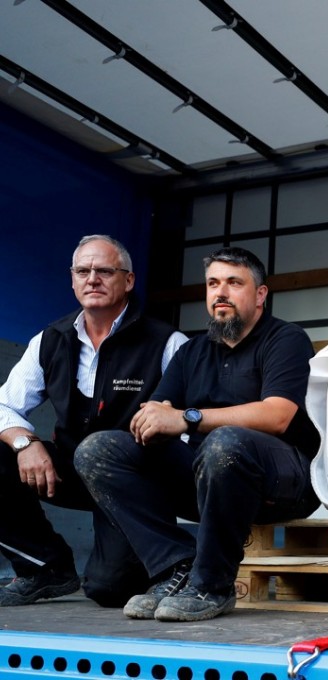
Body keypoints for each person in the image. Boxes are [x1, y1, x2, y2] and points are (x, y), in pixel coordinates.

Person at [75, 246, 321, 622]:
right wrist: (155, 423)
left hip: (284, 483)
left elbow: (277, 415)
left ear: (259, 295)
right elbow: (154, 415)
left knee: (227, 440)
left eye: (234, 283)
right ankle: (176, 565)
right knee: (98, 450)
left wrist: (187, 418)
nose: (220, 293)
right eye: (212, 283)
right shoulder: (191, 352)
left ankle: (212, 585)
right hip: (210, 481)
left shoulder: (285, 339)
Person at [0, 234, 188, 607]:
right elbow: (4, 406)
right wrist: (26, 443)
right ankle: (45, 567)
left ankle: (181, 563)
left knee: (109, 588)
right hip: (69, 471)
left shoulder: (167, 343)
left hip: (133, 483)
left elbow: (189, 427)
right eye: (83, 271)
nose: (92, 279)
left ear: (128, 280)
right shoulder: (50, 340)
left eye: (105, 270)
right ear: (72, 280)